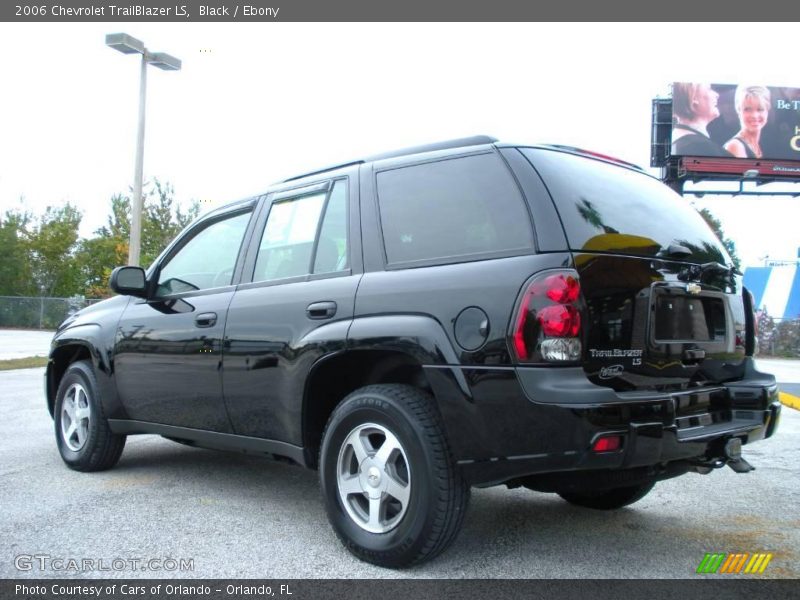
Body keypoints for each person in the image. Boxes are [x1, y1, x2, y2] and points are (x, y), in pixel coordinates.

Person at [671, 83, 732, 157]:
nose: (717, 95)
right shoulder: (698, 145)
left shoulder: (681, 140)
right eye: (709, 89)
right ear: (694, 98)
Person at [724, 86, 771, 158]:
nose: (754, 115)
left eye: (760, 109)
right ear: (738, 111)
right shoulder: (735, 146)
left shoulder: (758, 145)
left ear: (767, 111)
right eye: (748, 109)